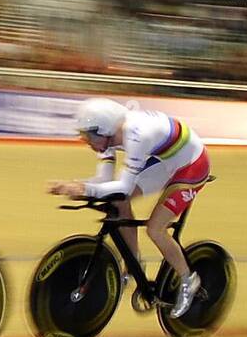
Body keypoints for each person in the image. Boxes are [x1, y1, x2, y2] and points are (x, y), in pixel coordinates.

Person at [48, 97, 211, 318]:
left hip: (191, 164)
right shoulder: (106, 136)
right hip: (164, 160)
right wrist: (71, 185)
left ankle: (188, 280)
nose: (86, 141)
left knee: (155, 228)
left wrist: (83, 189)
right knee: (117, 202)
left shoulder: (136, 134)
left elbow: (123, 186)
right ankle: (134, 264)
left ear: (103, 129)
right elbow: (104, 180)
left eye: (89, 136)